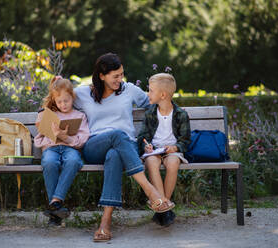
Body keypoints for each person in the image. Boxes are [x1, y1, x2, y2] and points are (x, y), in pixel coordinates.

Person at [74, 53, 175, 242]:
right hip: (95, 146)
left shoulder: (129, 89)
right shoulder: (83, 93)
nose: (120, 80)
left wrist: (173, 114)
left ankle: (105, 224)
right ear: (101, 76)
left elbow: (155, 102)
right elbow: (57, 99)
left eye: (122, 75)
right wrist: (56, 84)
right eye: (115, 76)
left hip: (125, 148)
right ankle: (150, 191)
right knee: (117, 134)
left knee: (114, 155)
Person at [34, 76, 89, 226]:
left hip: (70, 148)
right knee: (49, 162)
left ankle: (55, 203)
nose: (63, 105)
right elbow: (40, 137)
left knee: (73, 161)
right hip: (51, 149)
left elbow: (83, 138)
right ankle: (56, 209)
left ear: (73, 97)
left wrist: (65, 137)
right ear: (54, 100)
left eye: (66, 101)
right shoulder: (49, 114)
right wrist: (45, 126)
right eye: (59, 102)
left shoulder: (79, 116)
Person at [137, 73, 191, 227]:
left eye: (151, 90)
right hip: (154, 151)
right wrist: (146, 146)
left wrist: (175, 147)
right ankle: (164, 206)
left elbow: (186, 140)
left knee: (173, 163)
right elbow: (143, 136)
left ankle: (162, 204)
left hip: (172, 151)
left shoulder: (181, 114)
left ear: (163, 95)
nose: (148, 93)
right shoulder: (150, 114)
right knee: (151, 163)